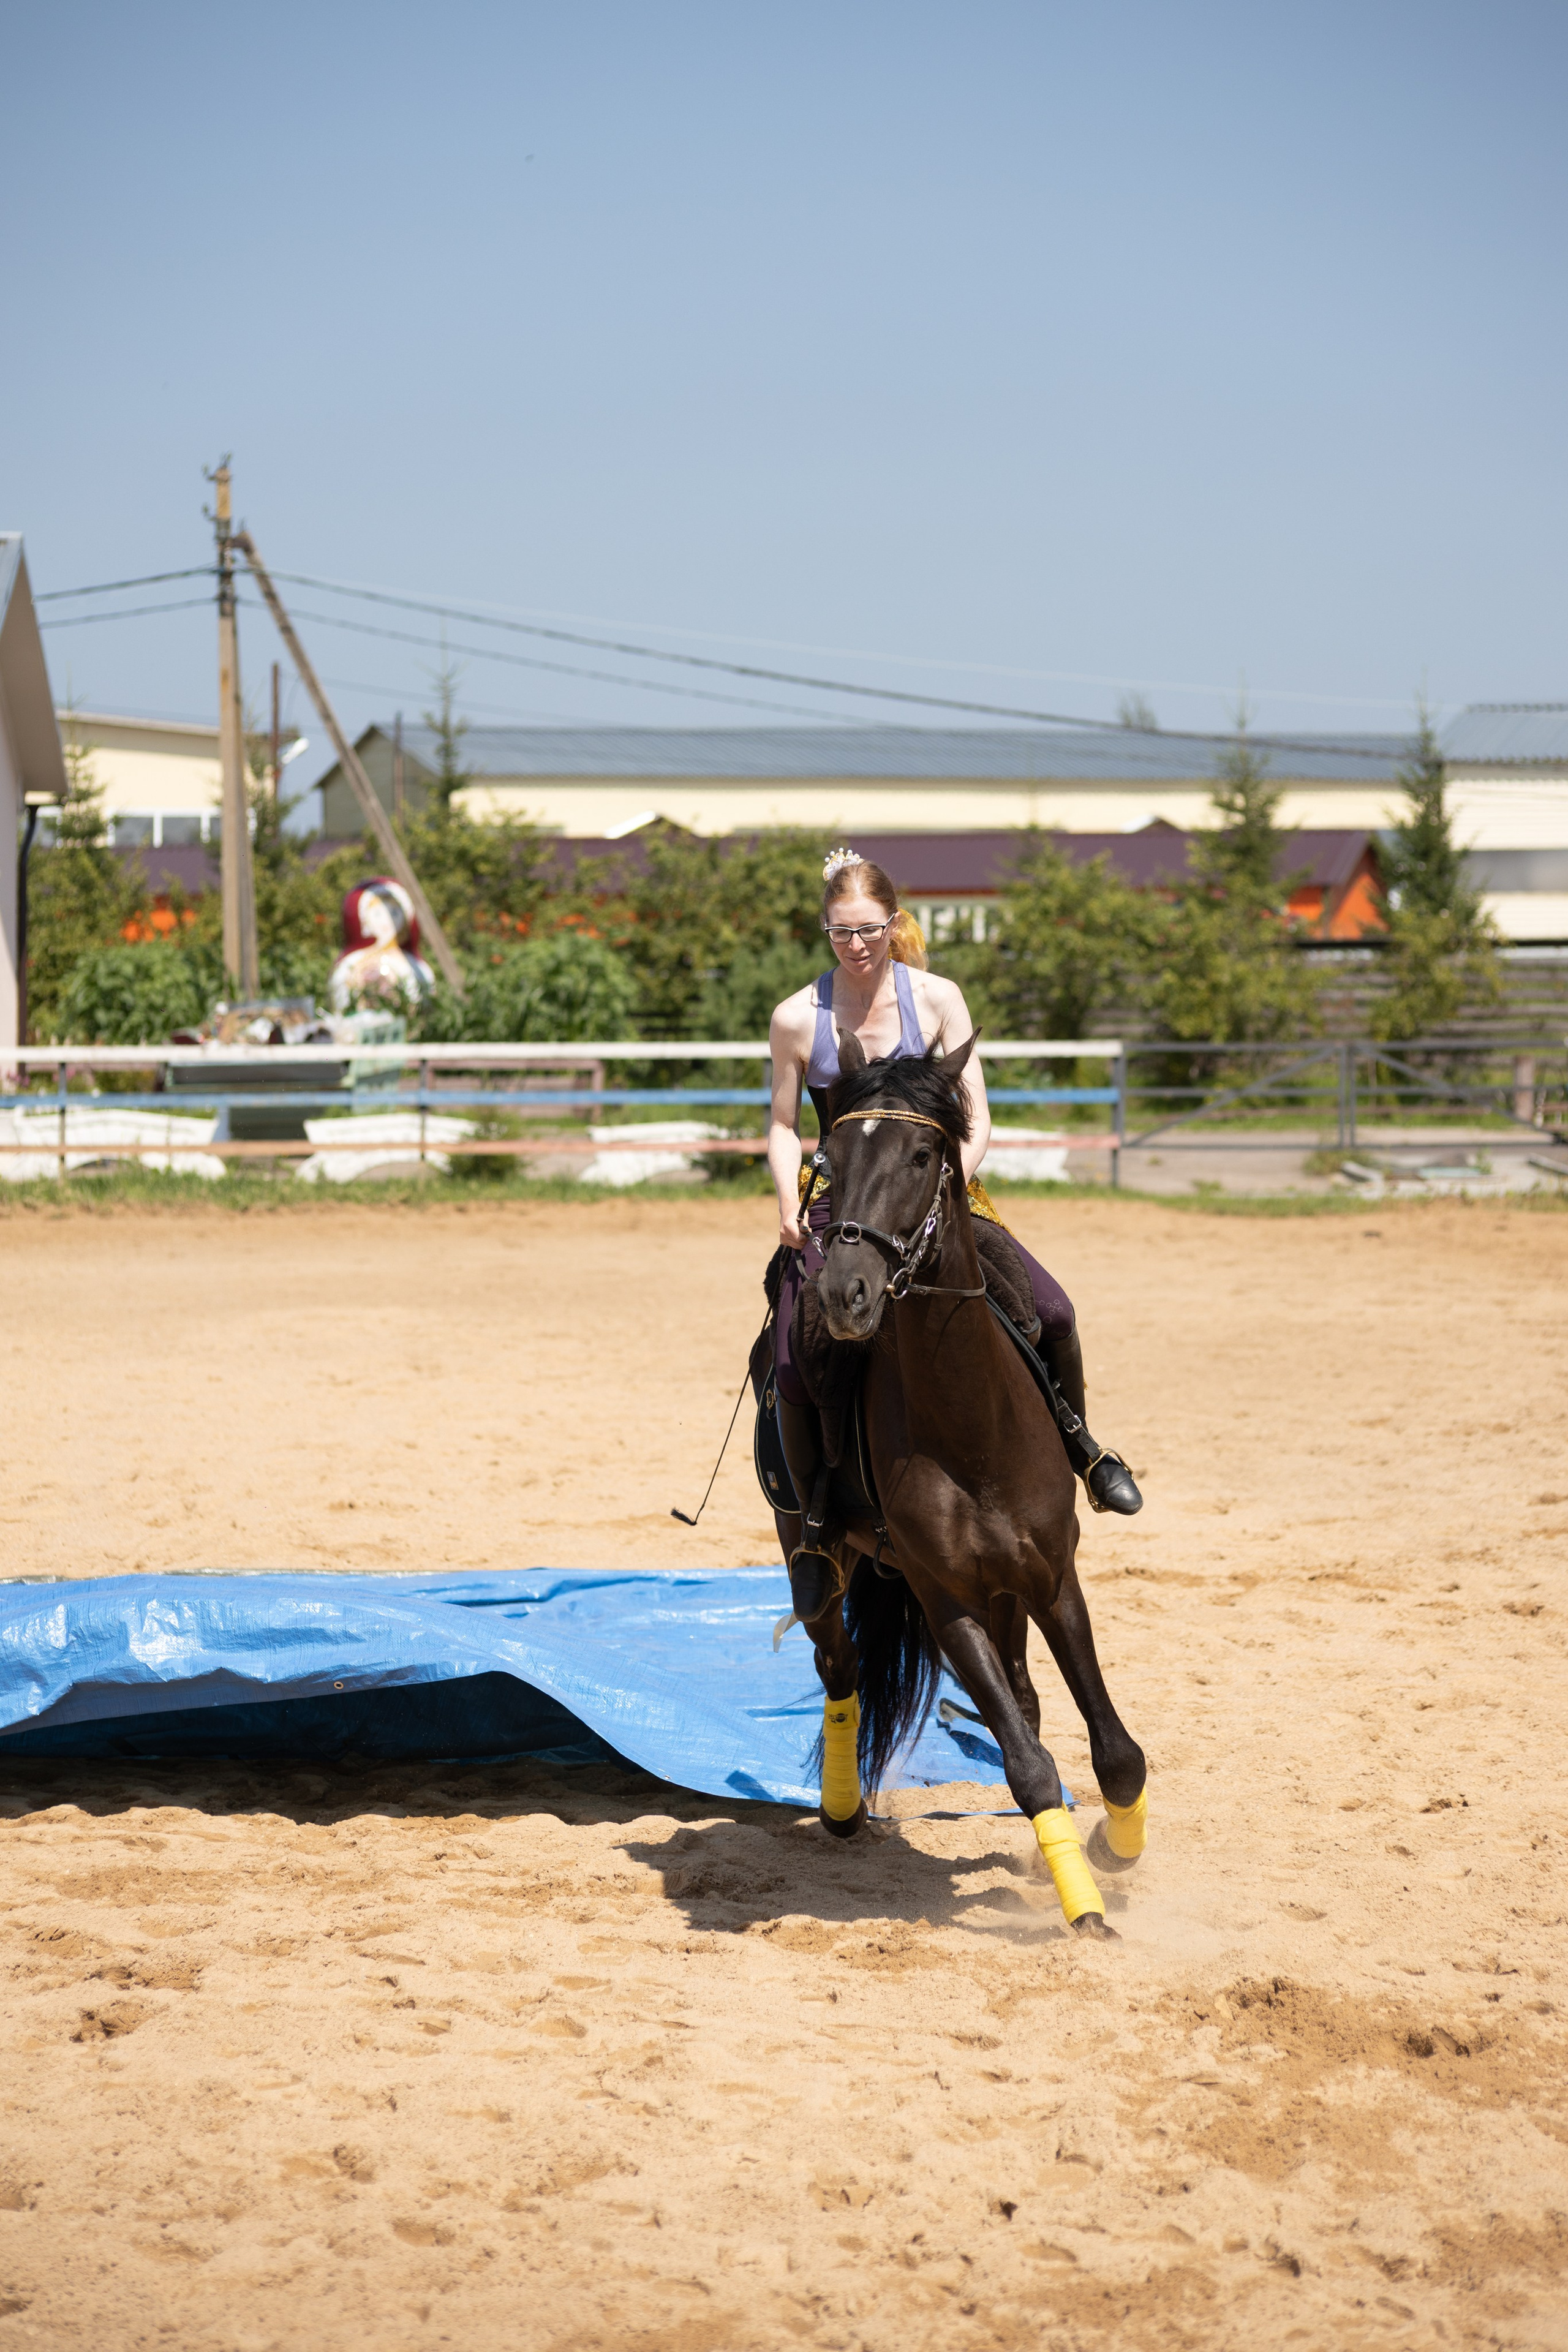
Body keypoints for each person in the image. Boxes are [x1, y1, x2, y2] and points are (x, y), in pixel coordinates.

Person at [766, 846, 1141, 1520]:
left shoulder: (938, 999)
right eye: (841, 931)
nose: (857, 945)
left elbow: (977, 1112)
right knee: (795, 1361)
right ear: (825, 930)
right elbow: (782, 1125)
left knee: (1052, 1311)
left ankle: (1082, 1450)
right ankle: (818, 1520)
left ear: (893, 923)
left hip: (940, 1191)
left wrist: (948, 1191)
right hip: (840, 1201)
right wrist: (790, 1207)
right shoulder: (797, 1017)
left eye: (870, 929)